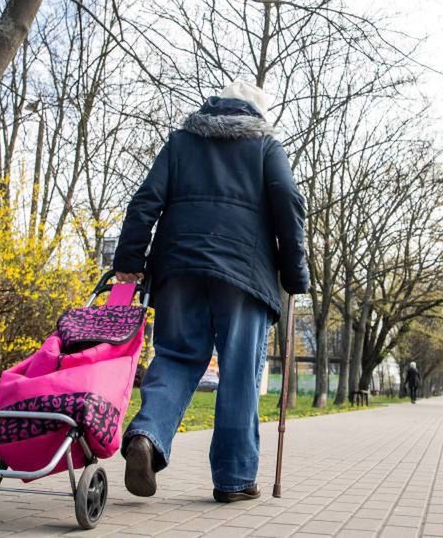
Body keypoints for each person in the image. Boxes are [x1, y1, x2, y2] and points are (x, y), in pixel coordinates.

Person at [113, 80, 309, 504]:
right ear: (258, 114)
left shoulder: (183, 142)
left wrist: (129, 262)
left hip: (178, 268)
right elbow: (289, 202)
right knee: (239, 371)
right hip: (245, 273)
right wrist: (295, 275)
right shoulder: (266, 147)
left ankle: (147, 435)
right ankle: (235, 479)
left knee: (177, 358)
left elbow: (145, 201)